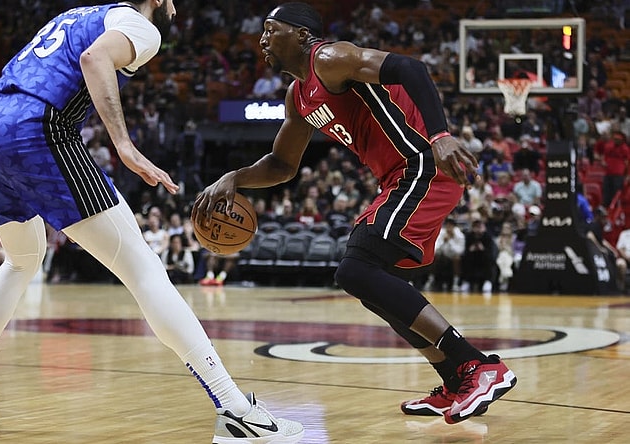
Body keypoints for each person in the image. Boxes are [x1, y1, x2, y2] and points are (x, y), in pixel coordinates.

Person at [0, 3, 304, 443]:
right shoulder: (140, 25)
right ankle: (236, 411)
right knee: (145, 270)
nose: (176, 7)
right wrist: (124, 146)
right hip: (34, 128)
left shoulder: (76, 14)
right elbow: (94, 58)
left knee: (20, 261)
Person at [192, 2, 516, 425]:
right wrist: (235, 177)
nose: (263, 40)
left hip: (423, 165)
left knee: (356, 269)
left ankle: (476, 366)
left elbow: (412, 68)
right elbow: (282, 164)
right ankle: (454, 379)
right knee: (377, 286)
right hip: (399, 178)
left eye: (272, 30)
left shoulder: (329, 58)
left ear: (302, 35)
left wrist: (439, 135)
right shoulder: (298, 96)